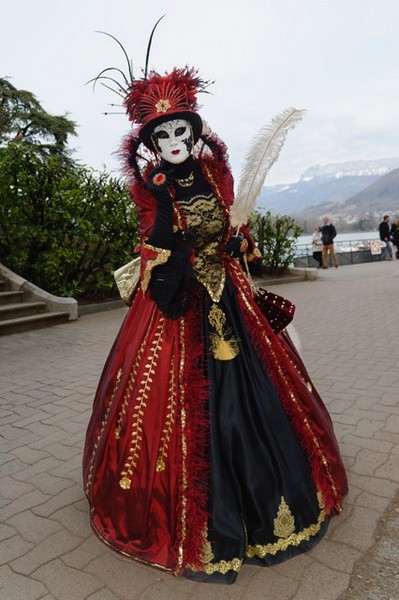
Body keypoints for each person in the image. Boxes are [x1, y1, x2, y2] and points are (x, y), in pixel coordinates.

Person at [83, 65, 347, 584]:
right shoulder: (150, 189)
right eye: (163, 135)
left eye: (182, 131)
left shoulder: (213, 175)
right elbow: (155, 256)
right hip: (180, 308)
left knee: (264, 391)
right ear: (152, 143)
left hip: (231, 299)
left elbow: (241, 233)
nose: (174, 141)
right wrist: (161, 204)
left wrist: (238, 244)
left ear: (196, 133)